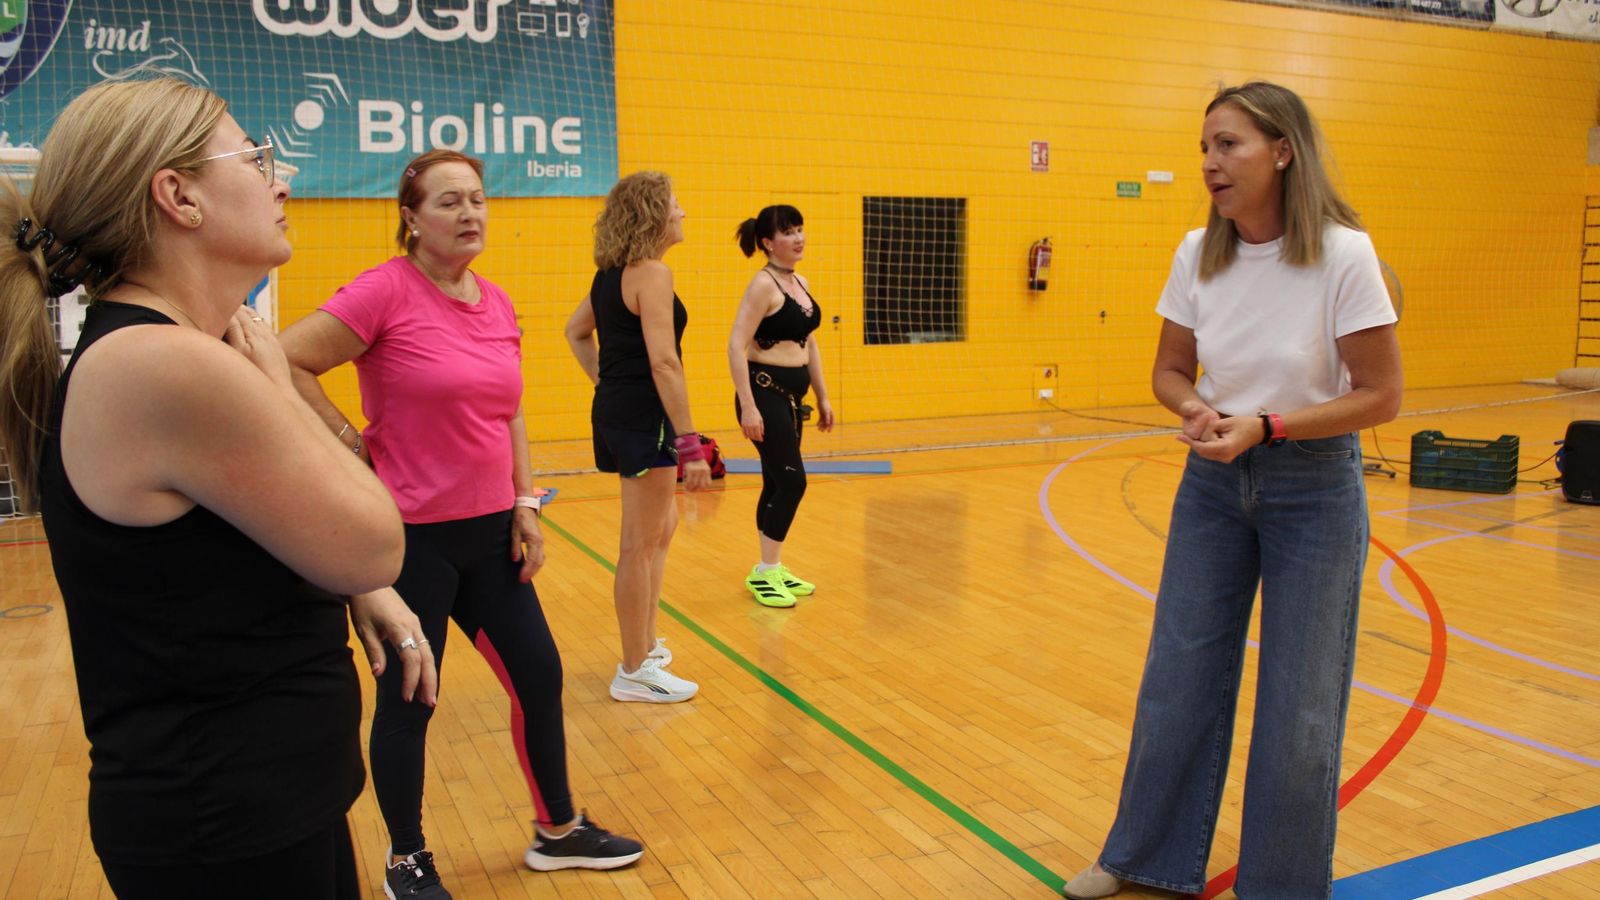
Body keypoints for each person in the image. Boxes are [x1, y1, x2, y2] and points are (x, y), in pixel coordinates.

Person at [0, 78, 436, 899]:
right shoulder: (164, 363)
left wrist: (357, 589)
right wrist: (279, 387)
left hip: (255, 808)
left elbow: (239, 554)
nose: (283, 181)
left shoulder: (160, 351)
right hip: (225, 827)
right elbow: (374, 542)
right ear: (178, 196)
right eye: (256, 157)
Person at [1064, 81, 1402, 900]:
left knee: (1301, 700)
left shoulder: (1343, 253)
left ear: (1283, 150)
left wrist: (1270, 426)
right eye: (1205, 148)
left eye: (1228, 145)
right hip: (1212, 485)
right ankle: (1142, 855)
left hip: (1313, 490)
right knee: (1178, 674)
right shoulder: (1196, 253)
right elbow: (1169, 369)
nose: (1210, 163)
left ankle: (1283, 885)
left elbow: (1380, 396)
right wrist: (1195, 409)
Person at [279, 149, 642, 900]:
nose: (469, 213)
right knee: (412, 700)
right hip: (408, 543)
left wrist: (524, 501)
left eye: (476, 199)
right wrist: (354, 450)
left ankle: (558, 829)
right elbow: (285, 361)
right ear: (410, 218)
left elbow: (507, 411)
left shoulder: (498, 300)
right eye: (448, 201)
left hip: (489, 534)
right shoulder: (383, 292)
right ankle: (406, 858)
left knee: (539, 676)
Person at [564, 171, 711, 704]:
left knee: (661, 528)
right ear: (654, 213)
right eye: (676, 204)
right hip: (644, 414)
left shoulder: (610, 274)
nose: (683, 213)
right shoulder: (652, 273)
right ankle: (633, 669)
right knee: (638, 543)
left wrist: (607, 381)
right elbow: (665, 362)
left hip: (619, 410)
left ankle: (644, 645)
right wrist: (690, 441)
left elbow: (576, 331)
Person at [727, 205, 834, 607]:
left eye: (801, 229)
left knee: (775, 481)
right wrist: (749, 407)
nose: (799, 238)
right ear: (769, 243)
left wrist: (822, 395)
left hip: (794, 398)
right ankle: (766, 573)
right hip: (764, 392)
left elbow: (809, 342)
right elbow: (736, 345)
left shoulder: (800, 283)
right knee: (792, 482)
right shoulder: (762, 285)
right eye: (789, 232)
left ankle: (770, 566)